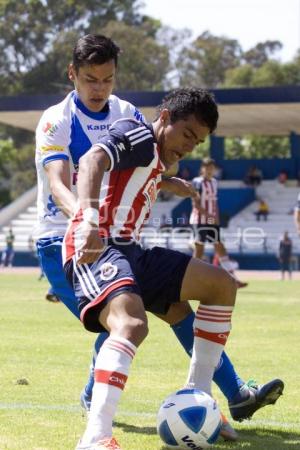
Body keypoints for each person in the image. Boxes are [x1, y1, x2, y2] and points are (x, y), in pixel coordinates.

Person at [35, 34, 283, 446]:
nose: (100, 88)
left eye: (108, 79)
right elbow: (81, 168)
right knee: (126, 320)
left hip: (128, 245)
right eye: (90, 80)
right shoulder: (58, 119)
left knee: (208, 291)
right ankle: (96, 433)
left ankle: (204, 401)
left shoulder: (128, 114)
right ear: (72, 74)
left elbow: (136, 168)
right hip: (77, 240)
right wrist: (86, 218)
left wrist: (166, 182)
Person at [189, 158, 248, 289]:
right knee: (200, 249)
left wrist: (216, 217)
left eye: (211, 167)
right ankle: (192, 279)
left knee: (220, 247)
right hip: (199, 220)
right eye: (207, 167)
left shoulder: (214, 182)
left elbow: (214, 203)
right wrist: (209, 216)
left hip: (211, 220)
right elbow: (195, 204)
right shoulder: (197, 182)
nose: (209, 170)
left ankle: (233, 279)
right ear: (202, 168)